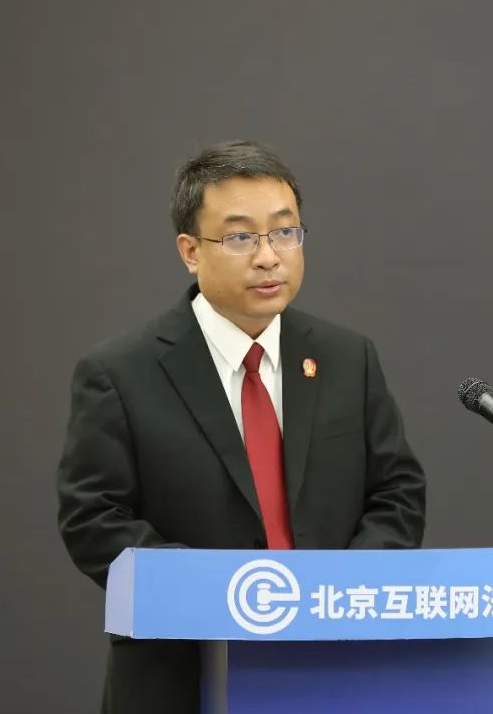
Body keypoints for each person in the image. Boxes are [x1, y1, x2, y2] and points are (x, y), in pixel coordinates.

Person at [55, 140, 427, 714]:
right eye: (240, 238)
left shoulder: (347, 358)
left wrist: (341, 592)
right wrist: (220, 596)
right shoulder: (120, 372)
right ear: (190, 251)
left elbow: (397, 492)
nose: (269, 257)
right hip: (184, 674)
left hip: (332, 667)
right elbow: (93, 519)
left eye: (285, 232)